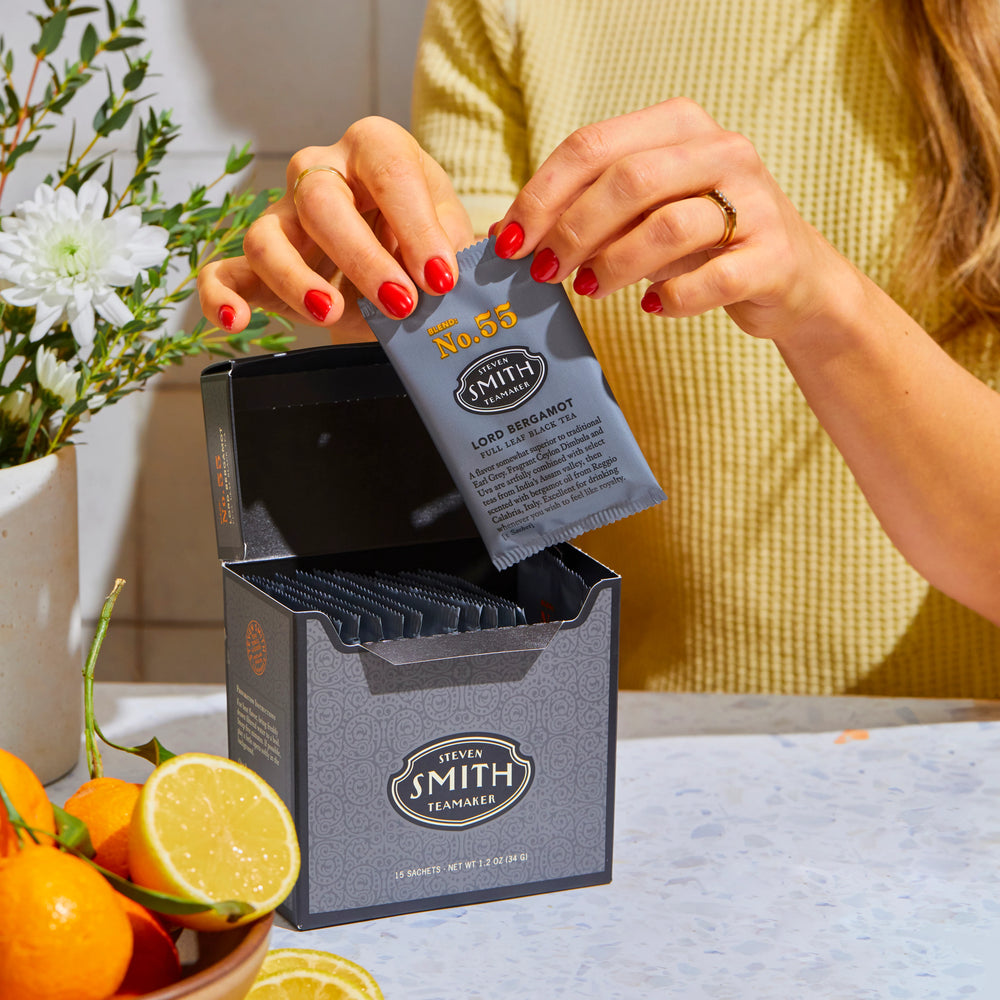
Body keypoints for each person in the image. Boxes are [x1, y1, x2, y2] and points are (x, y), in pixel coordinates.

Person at [198, 0, 1000, 697]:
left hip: (956, 770)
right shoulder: (504, 9)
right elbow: (471, 354)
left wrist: (825, 305)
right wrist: (377, 287)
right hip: (616, 757)